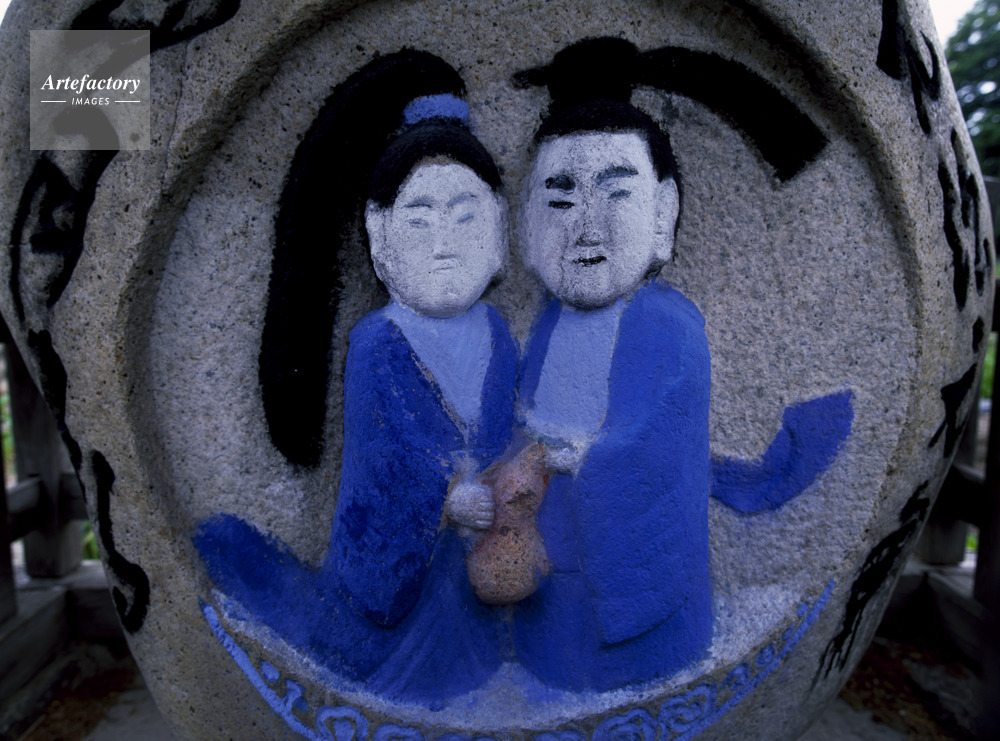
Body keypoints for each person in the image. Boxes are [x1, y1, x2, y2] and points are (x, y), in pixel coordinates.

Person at [511, 37, 853, 692]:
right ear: (528, 220)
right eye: (559, 199)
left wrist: (582, 457)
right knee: (551, 617)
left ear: (663, 212)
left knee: (617, 644)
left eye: (616, 195)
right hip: (550, 523)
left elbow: (661, 438)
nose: (586, 227)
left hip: (624, 538)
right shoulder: (548, 322)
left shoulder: (667, 322)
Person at [195, 53, 515, 707]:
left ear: (499, 233)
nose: (444, 241)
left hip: (483, 561)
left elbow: (511, 428)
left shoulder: (500, 335)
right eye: (419, 219)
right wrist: (446, 501)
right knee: (397, 663)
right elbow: (385, 463)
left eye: (465, 215)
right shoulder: (378, 343)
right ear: (380, 238)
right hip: (403, 569)